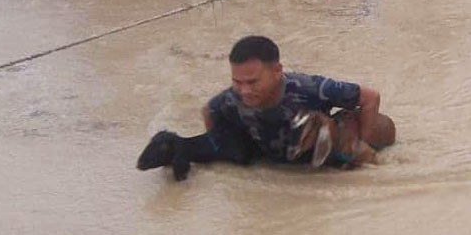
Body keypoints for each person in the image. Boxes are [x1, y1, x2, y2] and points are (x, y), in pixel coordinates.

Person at [137, 36, 395, 180]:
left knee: (375, 136)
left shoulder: (310, 87)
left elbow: (370, 97)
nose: (244, 91)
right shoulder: (230, 99)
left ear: (277, 71)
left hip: (315, 144)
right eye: (237, 82)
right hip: (266, 149)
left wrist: (365, 140)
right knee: (219, 145)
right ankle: (172, 144)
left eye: (252, 82)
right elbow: (209, 112)